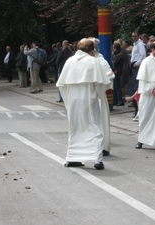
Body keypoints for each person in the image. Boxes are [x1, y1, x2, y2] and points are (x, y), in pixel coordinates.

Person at [56, 38, 111, 170]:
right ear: (91, 50)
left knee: (75, 128)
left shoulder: (70, 61)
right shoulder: (93, 61)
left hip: (74, 101)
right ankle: (97, 159)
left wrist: (68, 102)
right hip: (89, 99)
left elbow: (62, 85)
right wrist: (101, 96)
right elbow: (100, 84)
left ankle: (72, 158)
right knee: (95, 127)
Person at [129, 31, 146, 98]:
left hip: (137, 65)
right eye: (133, 36)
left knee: (136, 82)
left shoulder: (140, 44)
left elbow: (143, 55)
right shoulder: (135, 44)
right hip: (133, 64)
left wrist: (137, 63)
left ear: (138, 36)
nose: (134, 37)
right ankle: (134, 98)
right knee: (133, 82)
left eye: (135, 36)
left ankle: (136, 98)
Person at [112, 41, 130, 106]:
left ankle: (120, 100)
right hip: (118, 71)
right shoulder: (117, 54)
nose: (113, 49)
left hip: (118, 71)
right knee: (115, 86)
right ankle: (116, 100)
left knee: (117, 86)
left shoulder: (119, 55)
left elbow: (114, 62)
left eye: (113, 48)